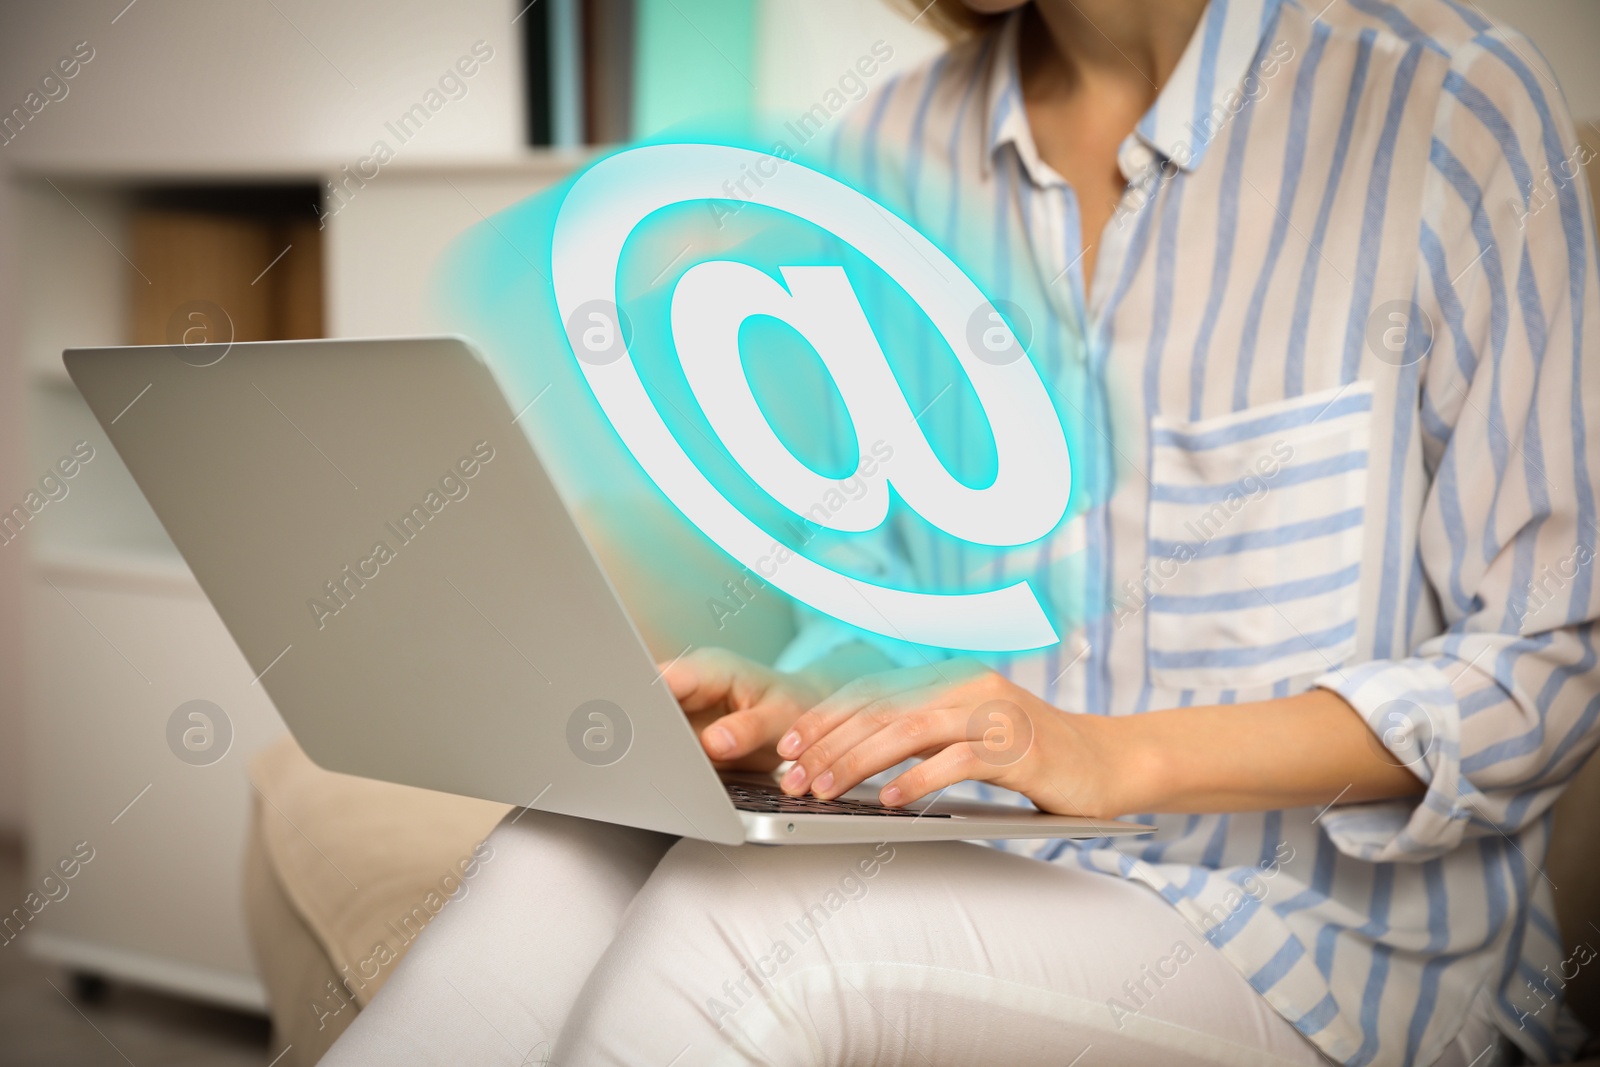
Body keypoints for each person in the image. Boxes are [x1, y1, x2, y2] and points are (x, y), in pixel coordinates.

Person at [323, 0, 1599, 1063]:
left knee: (726, 936)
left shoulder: (1446, 104)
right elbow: (875, 580)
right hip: (974, 853)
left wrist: (1108, 756)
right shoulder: (889, 148)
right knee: (558, 843)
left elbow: (1549, 660)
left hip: (1316, 944)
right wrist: (801, 697)